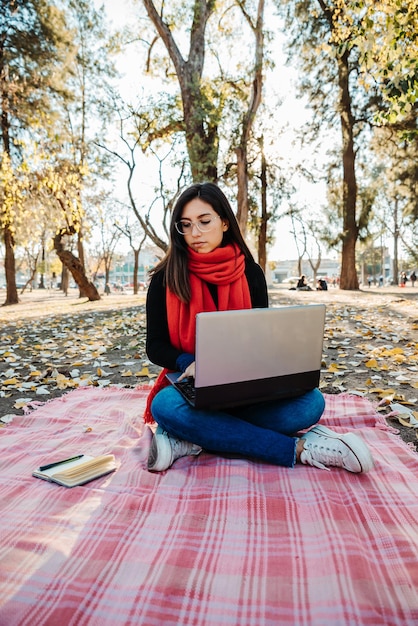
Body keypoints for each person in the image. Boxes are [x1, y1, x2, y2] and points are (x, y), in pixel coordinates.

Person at [144, 182, 373, 474]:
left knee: (311, 403)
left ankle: (191, 438)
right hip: (190, 390)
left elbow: (260, 335)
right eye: (186, 225)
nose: (195, 233)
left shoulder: (251, 273)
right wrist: (189, 363)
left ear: (224, 222)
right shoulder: (165, 278)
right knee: (165, 407)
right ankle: (300, 448)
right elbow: (155, 346)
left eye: (204, 222)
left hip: (244, 386)